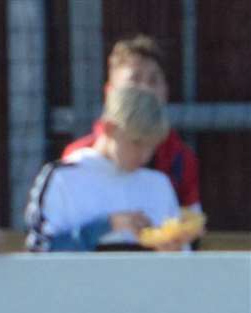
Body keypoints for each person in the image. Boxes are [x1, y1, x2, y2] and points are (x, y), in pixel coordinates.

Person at [26, 86, 190, 252]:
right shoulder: (62, 178)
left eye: (152, 146)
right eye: (137, 143)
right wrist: (108, 225)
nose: (145, 155)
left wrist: (173, 251)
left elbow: (181, 266)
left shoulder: (158, 184)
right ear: (109, 128)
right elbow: (40, 250)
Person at [61, 33, 201, 213]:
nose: (146, 90)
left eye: (153, 81)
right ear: (110, 92)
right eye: (134, 80)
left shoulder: (180, 159)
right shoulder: (77, 158)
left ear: (166, 91)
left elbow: (191, 224)